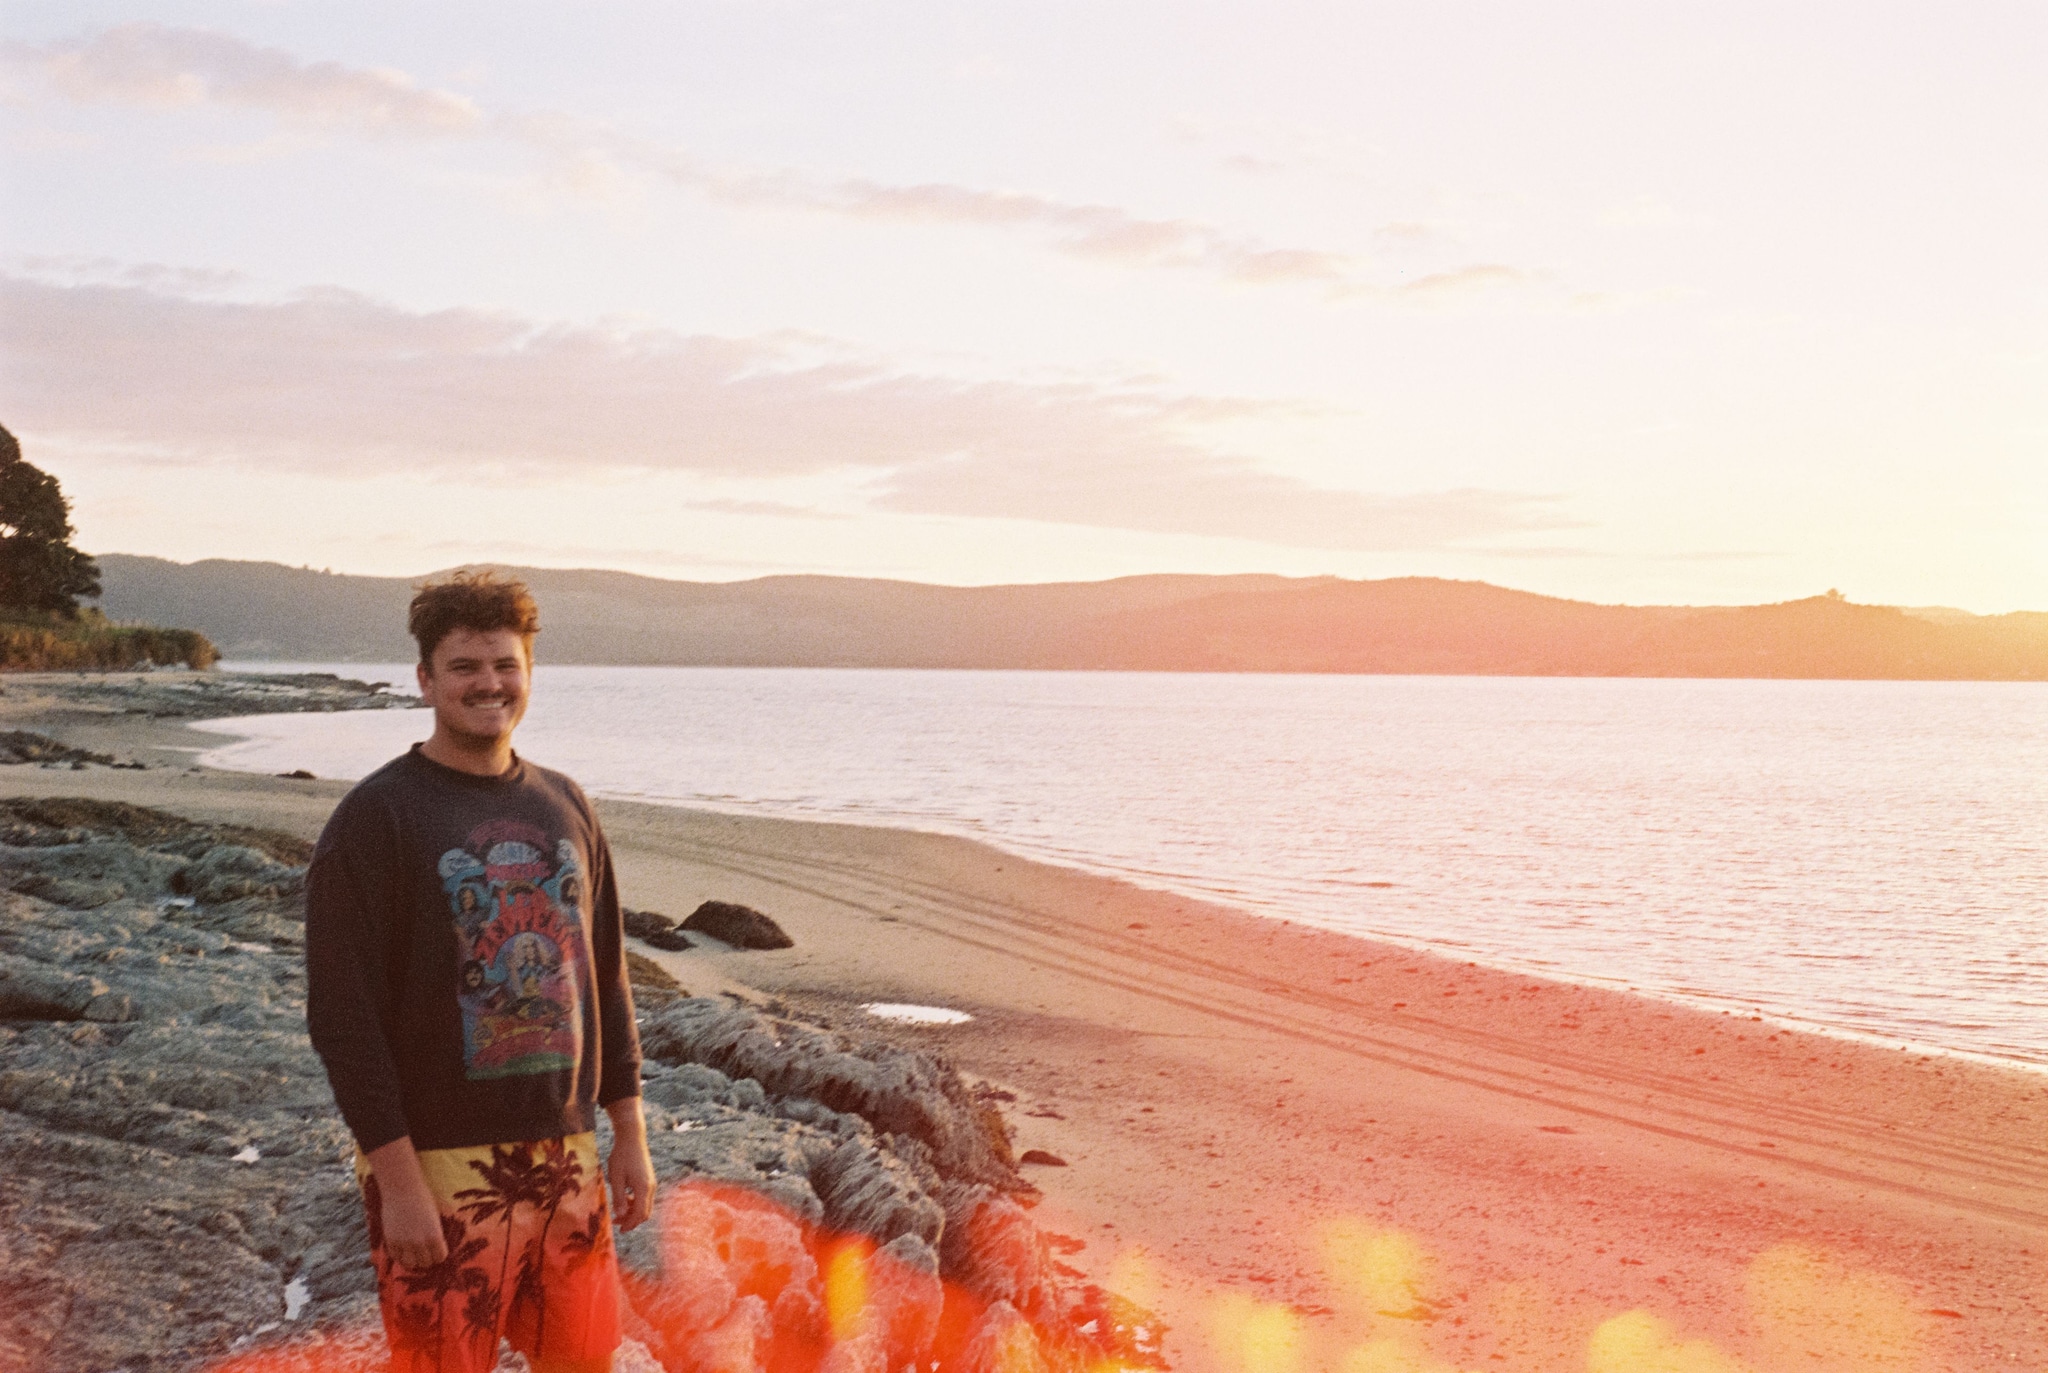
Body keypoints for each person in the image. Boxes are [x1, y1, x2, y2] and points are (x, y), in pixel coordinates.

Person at [306, 571, 655, 1373]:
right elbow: (343, 1017)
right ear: (425, 678)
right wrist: (398, 1183)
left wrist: (628, 1133)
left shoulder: (566, 804)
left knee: (585, 1362)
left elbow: (605, 976)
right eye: (464, 666)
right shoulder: (376, 817)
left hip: (567, 1155)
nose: (488, 683)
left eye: (505, 664)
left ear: (529, 672)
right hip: (435, 1165)